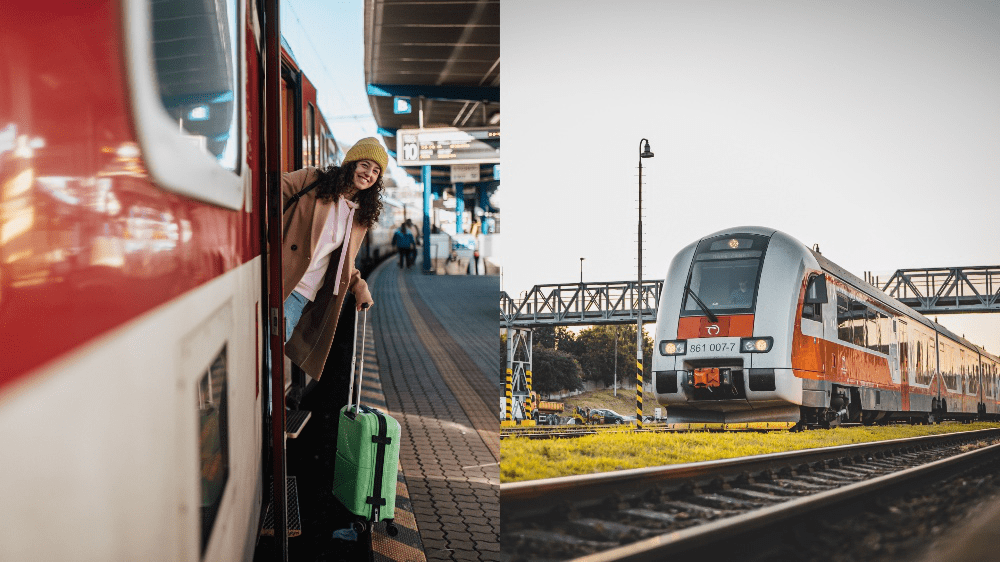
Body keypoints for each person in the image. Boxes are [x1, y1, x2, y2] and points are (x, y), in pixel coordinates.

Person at [280, 137, 385, 380]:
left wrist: (359, 285)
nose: (368, 173)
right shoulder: (312, 180)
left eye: (375, 171)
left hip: (301, 292)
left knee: (268, 353)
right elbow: (270, 190)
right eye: (364, 165)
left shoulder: (359, 216)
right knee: (258, 351)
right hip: (275, 275)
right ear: (351, 164)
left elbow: (343, 261)